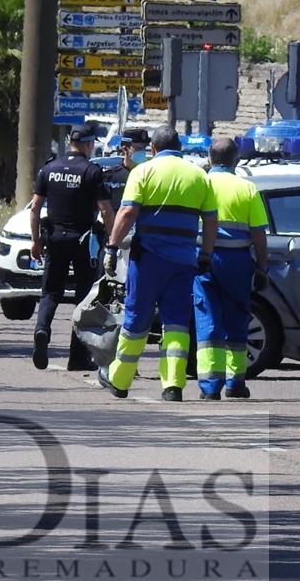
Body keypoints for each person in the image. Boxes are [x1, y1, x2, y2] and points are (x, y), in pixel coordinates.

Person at [99, 125, 218, 402]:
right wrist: (206, 254)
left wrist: (112, 247)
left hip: (149, 260)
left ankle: (119, 380)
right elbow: (211, 221)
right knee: (176, 322)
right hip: (184, 262)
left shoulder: (143, 171)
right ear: (181, 148)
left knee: (137, 318)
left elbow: (127, 212)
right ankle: (173, 385)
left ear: (152, 148)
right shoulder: (199, 175)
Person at [30, 123, 115, 371]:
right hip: (83, 241)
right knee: (83, 297)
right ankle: (77, 357)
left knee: (50, 293)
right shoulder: (92, 171)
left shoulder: (49, 169)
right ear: (89, 144)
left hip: (54, 237)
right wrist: (112, 240)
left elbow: (35, 208)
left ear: (69, 142)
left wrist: (35, 240)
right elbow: (105, 209)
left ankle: (42, 330)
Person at [194, 138, 269, 400]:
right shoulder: (247, 188)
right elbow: (259, 235)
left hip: (203, 258)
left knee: (208, 319)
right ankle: (235, 383)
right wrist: (262, 267)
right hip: (237, 262)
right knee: (237, 318)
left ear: (209, 158)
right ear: (236, 160)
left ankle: (209, 386)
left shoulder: (200, 184)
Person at [102, 127, 150, 212]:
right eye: (138, 148)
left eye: (144, 148)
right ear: (124, 148)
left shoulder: (148, 175)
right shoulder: (111, 175)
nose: (142, 152)